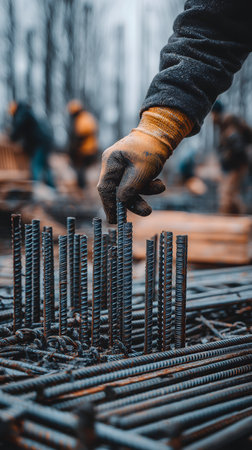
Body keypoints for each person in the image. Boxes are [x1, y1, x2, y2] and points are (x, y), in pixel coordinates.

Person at [97, 0, 252, 224]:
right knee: (226, 194)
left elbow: (236, 148)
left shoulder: (230, 128)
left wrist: (228, 161)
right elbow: (215, 25)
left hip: (235, 166)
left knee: (228, 193)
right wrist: (158, 127)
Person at [211, 101, 251, 213]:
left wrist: (227, 155)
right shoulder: (225, 123)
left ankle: (231, 220)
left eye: (212, 114)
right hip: (237, 163)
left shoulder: (228, 121)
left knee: (226, 192)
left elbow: (236, 143)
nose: (211, 118)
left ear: (216, 113)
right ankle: (240, 219)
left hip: (237, 164)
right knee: (231, 193)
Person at [8, 101, 55, 187]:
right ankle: (52, 188)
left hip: (39, 143)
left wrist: (12, 137)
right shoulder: (28, 112)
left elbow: (19, 128)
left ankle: (35, 188)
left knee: (35, 165)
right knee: (45, 165)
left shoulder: (23, 114)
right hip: (45, 141)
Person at [67, 100, 98, 189]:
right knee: (82, 168)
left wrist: (75, 146)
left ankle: (82, 187)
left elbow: (82, 135)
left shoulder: (83, 119)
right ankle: (83, 186)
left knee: (81, 168)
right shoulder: (86, 117)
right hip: (88, 148)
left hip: (86, 149)